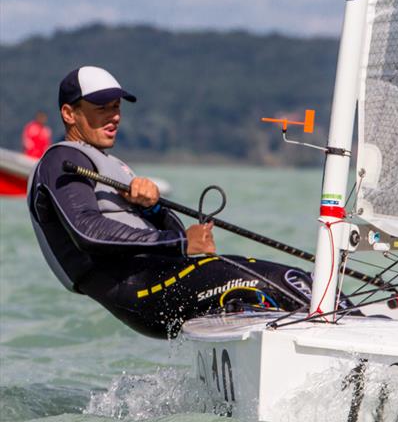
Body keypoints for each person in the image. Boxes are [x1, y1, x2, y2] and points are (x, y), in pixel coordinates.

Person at [27, 66, 312, 339]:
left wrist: (153, 208)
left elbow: (173, 243)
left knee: (286, 284)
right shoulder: (61, 161)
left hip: (161, 278)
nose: (114, 116)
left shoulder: (110, 164)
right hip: (138, 290)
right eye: (102, 108)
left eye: (116, 107)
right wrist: (181, 242)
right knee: (288, 280)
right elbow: (87, 232)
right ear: (69, 113)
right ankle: (352, 349)